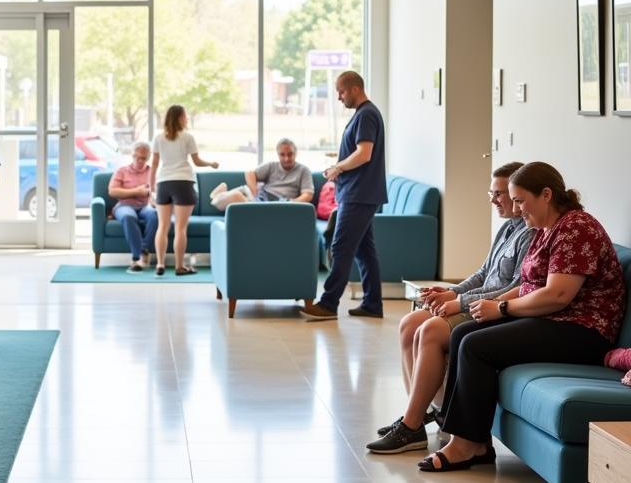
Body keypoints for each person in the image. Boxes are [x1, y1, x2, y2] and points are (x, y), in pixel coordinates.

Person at [419, 162, 626, 472]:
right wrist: (491, 304)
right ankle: (471, 440)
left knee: (477, 346)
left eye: (519, 200)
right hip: (554, 320)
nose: (515, 209)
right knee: (462, 334)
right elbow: (528, 287)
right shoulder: (544, 230)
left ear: (546, 194)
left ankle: (466, 444)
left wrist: (501, 309)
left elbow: (558, 295)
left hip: (582, 331)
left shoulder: (576, 227)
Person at [366, 161, 534, 453]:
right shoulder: (507, 228)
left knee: (429, 330)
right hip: (475, 299)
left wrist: (459, 302)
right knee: (408, 325)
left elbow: (515, 288)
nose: (493, 200)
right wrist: (450, 292)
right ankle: (415, 419)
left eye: (499, 194)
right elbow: (484, 272)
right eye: (491, 193)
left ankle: (414, 424)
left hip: (492, 307)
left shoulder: (530, 233)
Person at [302, 71, 386, 321]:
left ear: (355, 89)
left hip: (359, 193)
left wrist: (338, 168)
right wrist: (338, 162)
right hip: (360, 191)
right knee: (364, 250)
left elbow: (364, 153)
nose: (339, 97)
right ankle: (373, 304)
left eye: (341, 91)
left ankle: (328, 304)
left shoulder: (367, 114)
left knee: (341, 247)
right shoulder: (363, 115)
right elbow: (358, 152)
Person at [150, 104, 219, 276]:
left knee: (162, 226)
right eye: (185, 115)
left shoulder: (158, 138)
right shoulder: (187, 137)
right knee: (181, 228)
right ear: (180, 117)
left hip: (164, 183)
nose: (186, 118)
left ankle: (160, 264)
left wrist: (152, 187)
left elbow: (154, 165)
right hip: (183, 182)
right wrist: (211, 163)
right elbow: (196, 162)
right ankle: (179, 267)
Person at [210, 138, 314, 211]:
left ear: (295, 153)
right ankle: (217, 196)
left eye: (290, 154)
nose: (286, 158)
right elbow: (250, 173)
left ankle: (218, 195)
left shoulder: (304, 171)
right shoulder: (272, 166)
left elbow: (308, 194)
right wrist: (254, 190)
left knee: (235, 198)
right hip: (260, 197)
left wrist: (292, 203)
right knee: (218, 202)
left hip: (281, 203)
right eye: (282, 155)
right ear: (278, 154)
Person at [108, 141, 159, 272]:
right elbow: (112, 191)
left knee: (154, 214)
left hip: (145, 205)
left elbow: (157, 191)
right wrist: (136, 191)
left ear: (148, 158)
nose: (140, 161)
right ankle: (137, 258)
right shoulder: (122, 171)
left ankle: (144, 250)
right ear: (132, 155)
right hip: (125, 205)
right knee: (128, 216)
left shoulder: (151, 172)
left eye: (144, 158)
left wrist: (153, 197)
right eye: (138, 157)